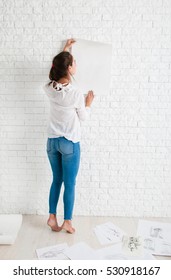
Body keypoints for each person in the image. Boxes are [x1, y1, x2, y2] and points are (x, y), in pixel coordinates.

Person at [44, 39, 94, 234]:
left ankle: (51, 217)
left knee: (56, 179)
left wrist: (64, 51)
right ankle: (67, 222)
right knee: (70, 183)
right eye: (74, 62)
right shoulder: (75, 93)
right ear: (70, 68)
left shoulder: (49, 88)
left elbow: (55, 69)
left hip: (51, 142)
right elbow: (83, 118)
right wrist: (88, 103)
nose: (76, 65)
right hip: (69, 143)